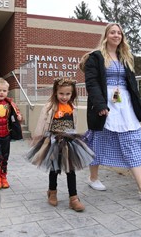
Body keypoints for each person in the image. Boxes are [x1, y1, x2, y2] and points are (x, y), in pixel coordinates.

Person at [79, 23, 141, 200]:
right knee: (98, 139)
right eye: (112, 32)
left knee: (131, 139)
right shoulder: (96, 57)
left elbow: (131, 84)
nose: (116, 35)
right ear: (106, 35)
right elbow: (92, 83)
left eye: (119, 33)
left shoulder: (125, 56)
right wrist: (101, 105)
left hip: (124, 105)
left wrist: (137, 105)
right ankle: (93, 177)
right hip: (104, 102)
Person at [27, 77, 94, 211]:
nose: (64, 97)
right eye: (61, 93)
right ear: (55, 93)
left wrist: (75, 137)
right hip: (53, 141)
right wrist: (38, 138)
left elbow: (74, 124)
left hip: (69, 142)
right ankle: (52, 191)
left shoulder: (73, 107)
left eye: (68, 94)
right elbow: (42, 123)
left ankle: (73, 198)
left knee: (71, 170)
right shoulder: (50, 107)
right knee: (54, 169)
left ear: (72, 94)